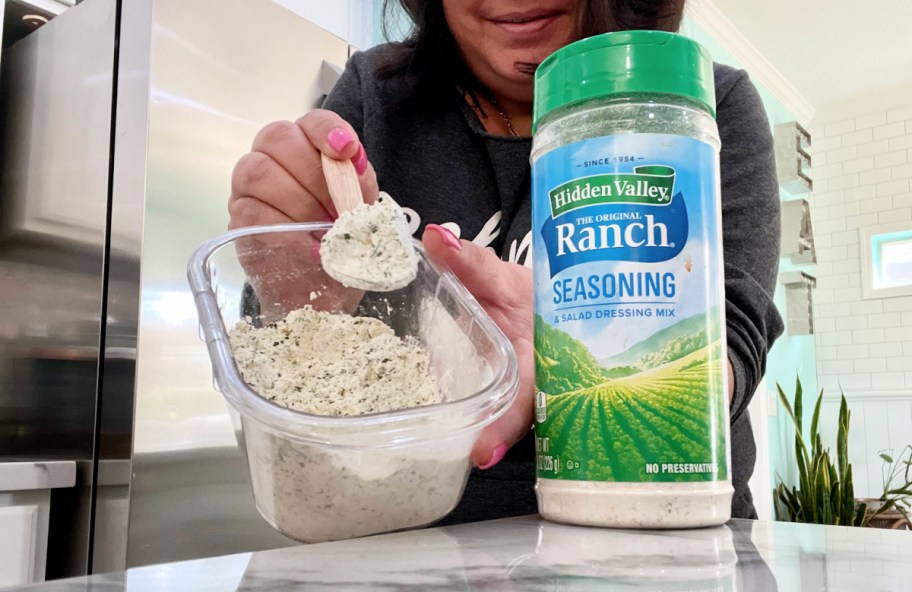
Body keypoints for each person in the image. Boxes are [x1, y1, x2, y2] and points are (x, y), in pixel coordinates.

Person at [228, 0, 783, 521]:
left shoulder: (690, 99)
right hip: (407, 541)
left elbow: (736, 331)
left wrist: (609, 357)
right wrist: (292, 286)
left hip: (669, 526)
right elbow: (283, 342)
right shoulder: (376, 97)